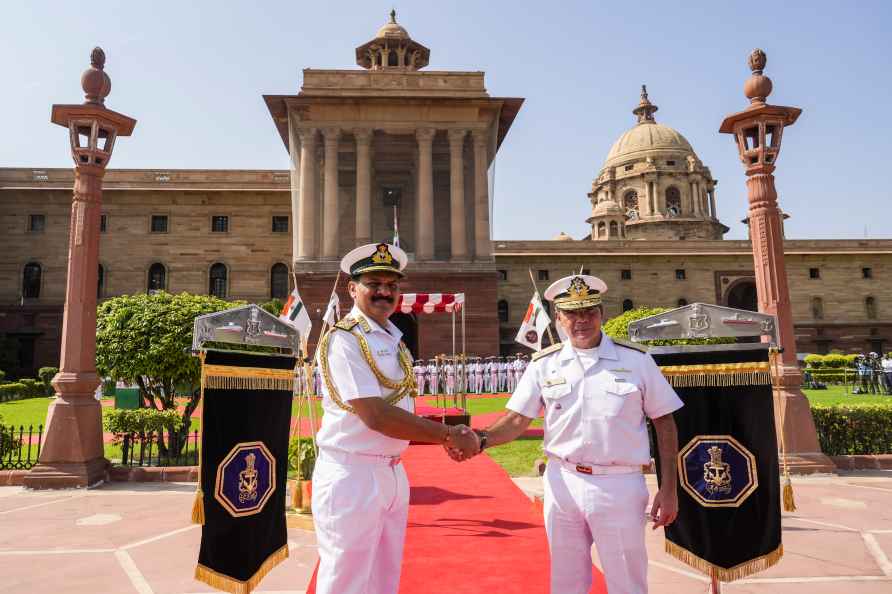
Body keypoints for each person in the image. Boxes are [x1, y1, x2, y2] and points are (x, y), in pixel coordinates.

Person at [448, 274, 682, 594]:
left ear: (602, 313)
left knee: (627, 581)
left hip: (619, 484)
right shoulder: (545, 364)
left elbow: (665, 423)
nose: (581, 320)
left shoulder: (636, 361)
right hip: (563, 483)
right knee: (566, 582)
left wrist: (669, 489)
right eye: (572, 313)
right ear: (558, 318)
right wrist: (481, 439)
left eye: (589, 311)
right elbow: (517, 419)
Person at [312, 242, 479, 594]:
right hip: (352, 475)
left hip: (391, 471)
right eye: (374, 284)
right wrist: (448, 435)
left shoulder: (394, 340)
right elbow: (375, 415)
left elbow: (400, 408)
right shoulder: (344, 340)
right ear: (352, 288)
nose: (384, 292)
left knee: (384, 578)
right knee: (346, 580)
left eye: (392, 285)